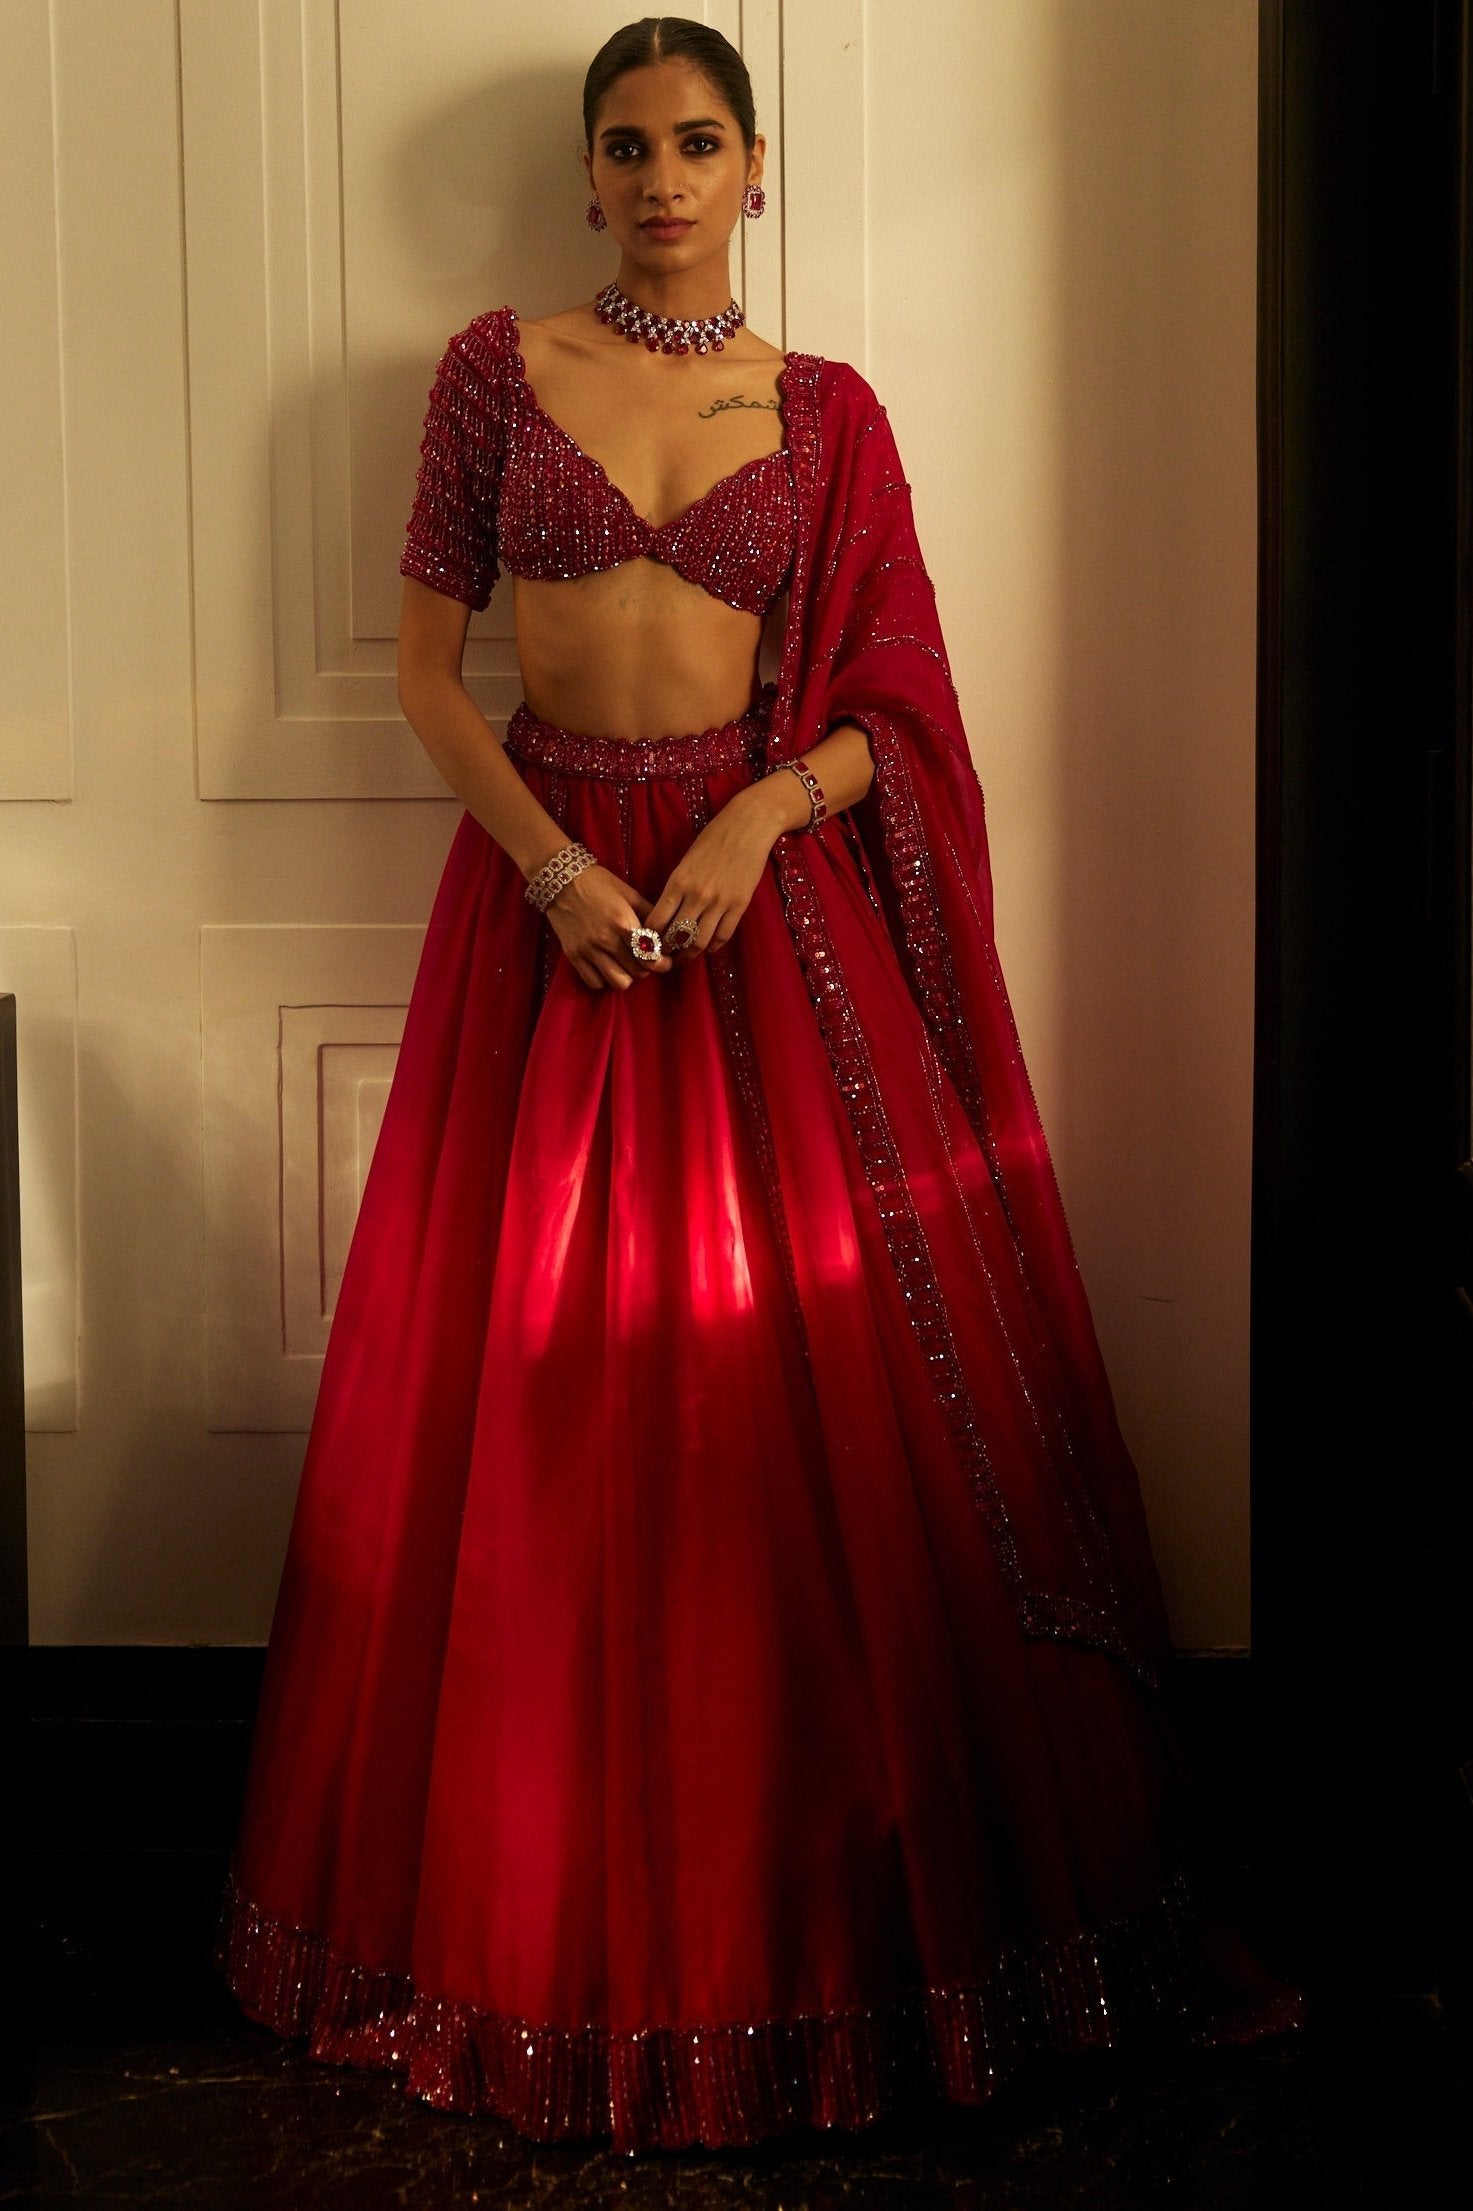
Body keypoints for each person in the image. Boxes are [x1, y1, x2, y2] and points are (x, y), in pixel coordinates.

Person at [219, 14, 1304, 2159]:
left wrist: (751, 816)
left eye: (695, 141)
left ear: (752, 165)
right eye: (625, 146)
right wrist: (551, 867)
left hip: (755, 925)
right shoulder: (489, 374)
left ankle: (833, 1939)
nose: (659, 177)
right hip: (545, 921)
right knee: (531, 1400)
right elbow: (431, 675)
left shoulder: (826, 415)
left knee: (798, 1398)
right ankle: (520, 1927)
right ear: (586, 172)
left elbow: (900, 701)